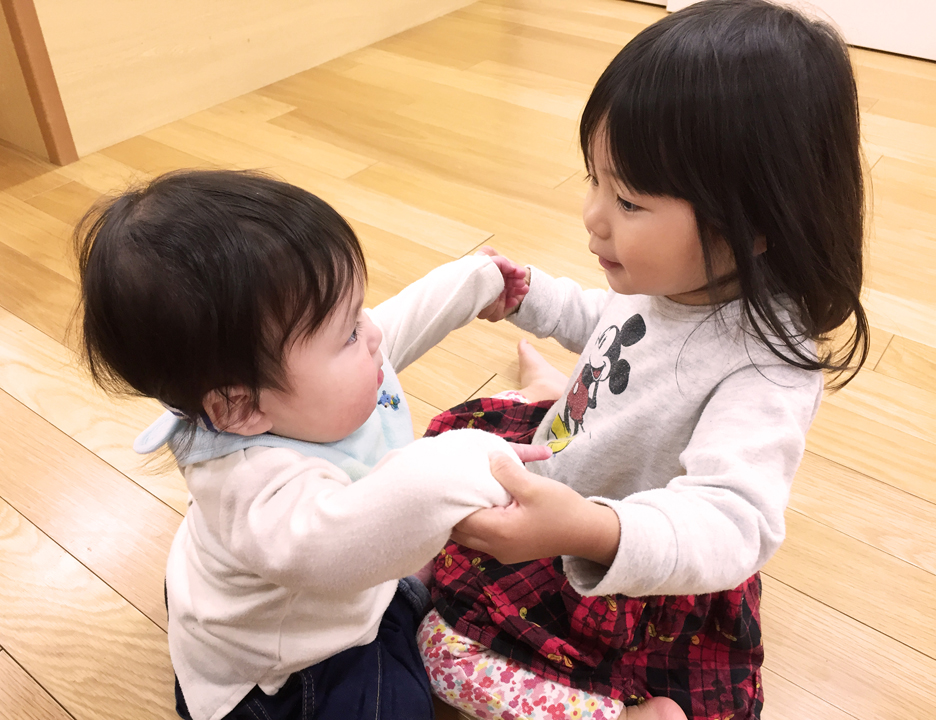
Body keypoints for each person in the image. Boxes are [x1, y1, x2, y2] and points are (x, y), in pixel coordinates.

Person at [417, 2, 869, 719]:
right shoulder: (673, 278)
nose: (592, 215)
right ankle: (552, 394)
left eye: (626, 198)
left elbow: (733, 520)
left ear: (754, 225)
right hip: (568, 459)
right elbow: (614, 330)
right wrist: (530, 294)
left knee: (441, 650)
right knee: (448, 451)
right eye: (593, 180)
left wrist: (585, 530)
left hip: (626, 565)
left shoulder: (766, 367)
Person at [74, 169, 551, 720]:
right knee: (397, 702)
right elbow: (339, 544)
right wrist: (463, 461)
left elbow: (394, 326)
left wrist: (474, 283)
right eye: (348, 331)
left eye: (359, 311)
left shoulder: (292, 389)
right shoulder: (255, 485)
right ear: (242, 409)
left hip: (279, 593)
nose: (371, 334)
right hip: (283, 669)